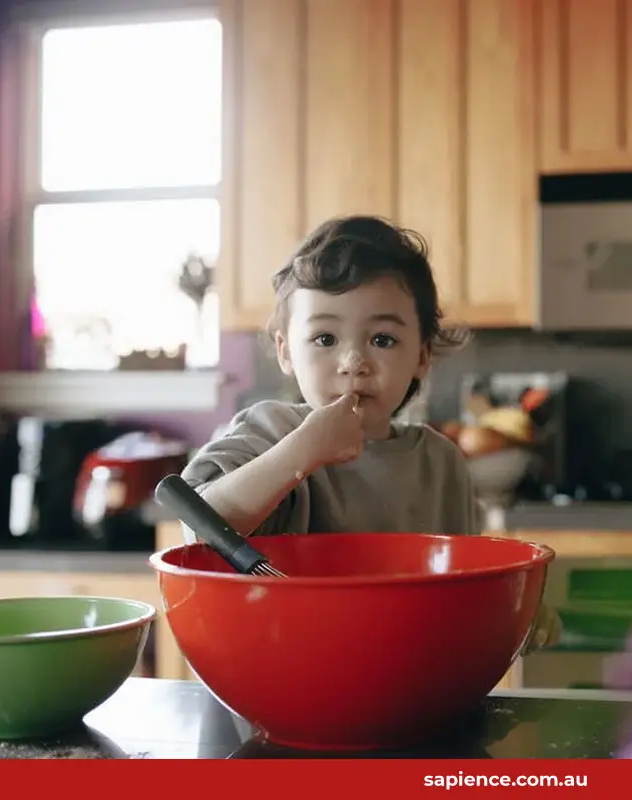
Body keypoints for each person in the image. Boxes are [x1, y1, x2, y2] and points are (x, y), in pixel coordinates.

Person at [180, 214, 559, 650]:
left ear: (421, 356)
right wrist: (298, 453)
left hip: (410, 682)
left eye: (382, 340)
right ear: (285, 351)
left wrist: (513, 608)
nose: (353, 361)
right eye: (325, 339)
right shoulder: (271, 431)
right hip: (285, 673)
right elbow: (200, 521)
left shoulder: (440, 463)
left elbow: (463, 591)